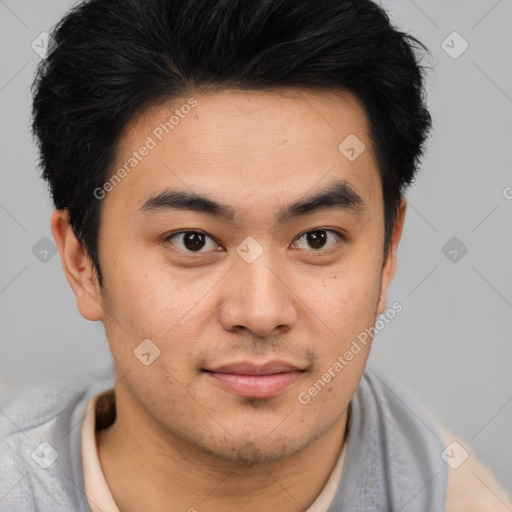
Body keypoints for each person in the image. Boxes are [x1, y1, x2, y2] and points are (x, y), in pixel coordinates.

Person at [0, 0, 510, 510]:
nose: (262, 312)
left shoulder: (457, 497)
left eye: (317, 238)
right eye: (193, 240)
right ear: (81, 262)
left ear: (388, 249)